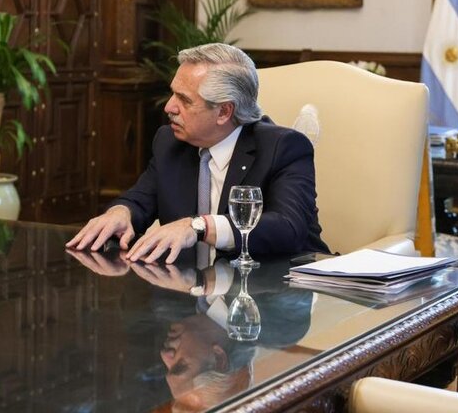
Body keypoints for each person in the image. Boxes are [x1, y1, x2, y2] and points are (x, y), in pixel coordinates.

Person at [66, 43, 328, 263]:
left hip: (275, 299)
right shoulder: (170, 141)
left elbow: (287, 229)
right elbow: (140, 200)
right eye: (173, 95)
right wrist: (121, 213)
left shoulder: (283, 148)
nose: (169, 107)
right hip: (189, 298)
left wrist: (199, 226)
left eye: (185, 100)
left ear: (224, 111)